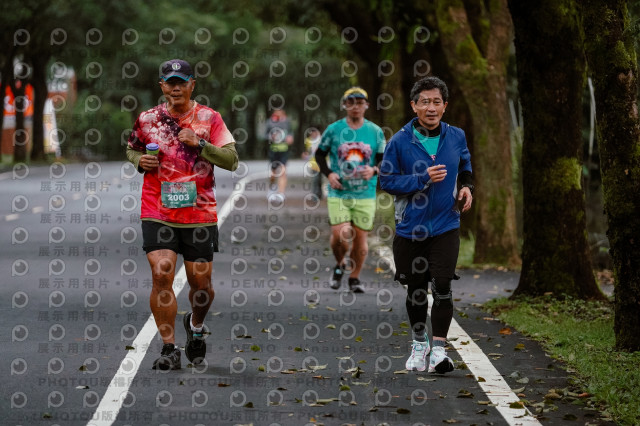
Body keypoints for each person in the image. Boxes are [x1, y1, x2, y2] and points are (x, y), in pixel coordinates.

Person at [126, 59, 239, 370]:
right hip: (157, 209)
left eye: (181, 82)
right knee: (162, 272)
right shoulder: (147, 119)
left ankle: (196, 325)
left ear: (192, 85)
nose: (175, 87)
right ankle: (169, 348)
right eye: (170, 82)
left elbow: (232, 160)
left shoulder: (210, 118)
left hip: (199, 213)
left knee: (201, 284)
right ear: (162, 86)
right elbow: (132, 148)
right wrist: (139, 161)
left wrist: (200, 143)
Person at [379, 76, 473, 374]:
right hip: (411, 228)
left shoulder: (456, 136)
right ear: (414, 106)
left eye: (436, 102)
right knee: (417, 289)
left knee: (442, 285)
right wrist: (421, 179)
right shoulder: (399, 141)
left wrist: (467, 187)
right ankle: (419, 345)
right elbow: (386, 181)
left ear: (445, 106)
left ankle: (439, 351)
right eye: (425, 102)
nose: (431, 108)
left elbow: (465, 166)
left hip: (446, 224)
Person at [315, 87, 386, 293]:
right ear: (345, 105)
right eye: (351, 102)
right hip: (339, 192)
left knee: (360, 239)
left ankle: (354, 278)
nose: (355, 106)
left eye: (360, 102)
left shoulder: (375, 131)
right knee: (341, 235)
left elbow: (384, 161)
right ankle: (340, 264)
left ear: (366, 106)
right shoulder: (334, 129)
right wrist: (329, 174)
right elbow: (319, 155)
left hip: (365, 193)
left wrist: (373, 170)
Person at [265, 108, 294, 201]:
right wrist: (271, 137)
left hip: (284, 151)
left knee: (283, 172)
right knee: (273, 173)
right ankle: (272, 186)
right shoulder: (270, 122)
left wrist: (290, 138)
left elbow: (290, 133)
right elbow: (265, 135)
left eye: (281, 111)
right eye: (277, 111)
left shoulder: (287, 122)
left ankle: (281, 193)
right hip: (274, 151)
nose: (279, 113)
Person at [302, 126, 324, 200]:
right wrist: (305, 154)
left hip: (322, 162)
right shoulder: (308, 140)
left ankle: (319, 194)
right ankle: (314, 195)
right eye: (312, 132)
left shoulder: (322, 140)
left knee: (320, 179)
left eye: (315, 132)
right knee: (315, 179)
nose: (313, 134)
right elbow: (308, 151)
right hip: (313, 162)